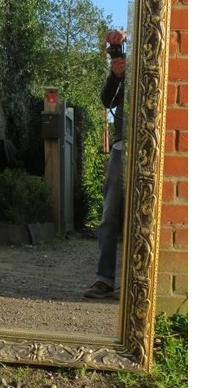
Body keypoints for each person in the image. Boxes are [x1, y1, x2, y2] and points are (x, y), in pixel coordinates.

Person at [84, 29, 127, 299]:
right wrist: (116, 75)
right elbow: (106, 101)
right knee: (110, 216)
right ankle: (104, 279)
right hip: (123, 145)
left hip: (157, 146)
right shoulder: (128, 65)